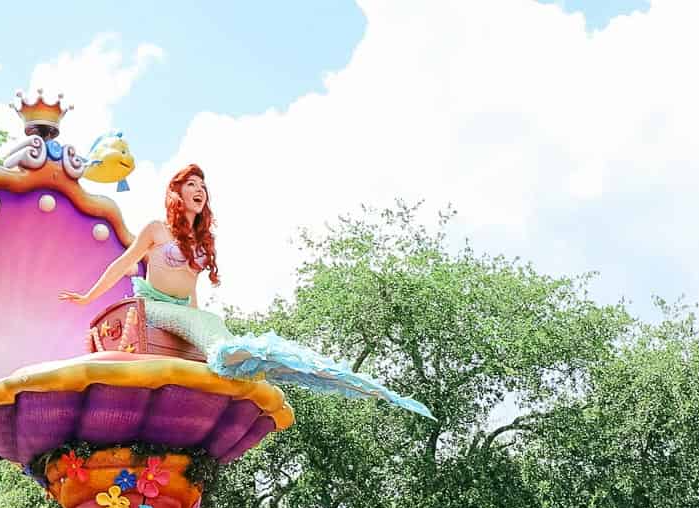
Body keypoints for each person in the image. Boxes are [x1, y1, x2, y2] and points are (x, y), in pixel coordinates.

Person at [60, 165, 426, 416]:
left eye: (203, 187)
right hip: (151, 307)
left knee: (210, 323)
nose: (199, 191)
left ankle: (250, 361)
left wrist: (196, 326)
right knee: (213, 336)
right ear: (176, 192)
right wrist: (89, 297)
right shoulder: (156, 230)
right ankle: (237, 357)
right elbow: (122, 265)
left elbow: (192, 295)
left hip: (183, 311)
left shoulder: (204, 241)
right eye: (191, 185)